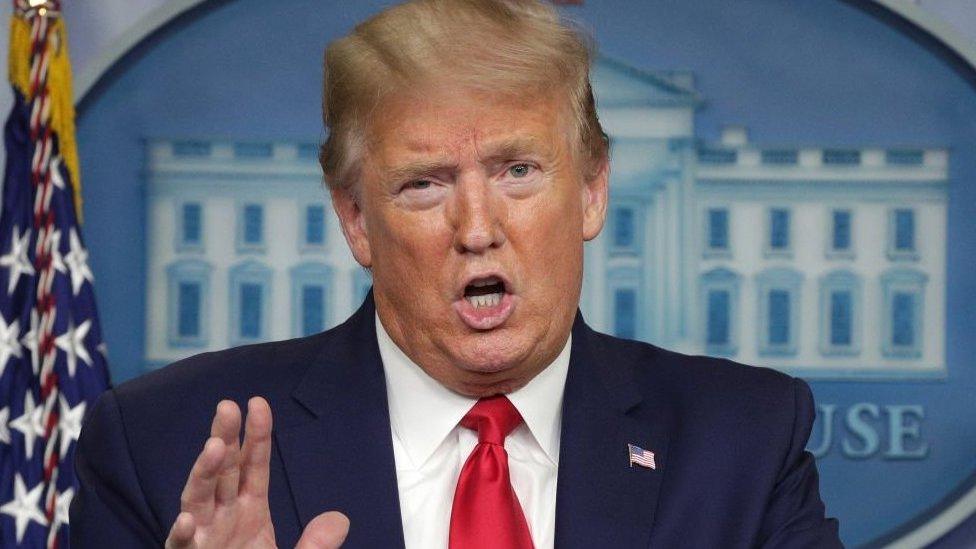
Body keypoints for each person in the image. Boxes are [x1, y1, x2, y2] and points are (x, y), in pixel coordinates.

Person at [70, 0, 843, 547]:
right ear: (355, 218)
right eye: (424, 183)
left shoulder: (741, 440)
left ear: (593, 190)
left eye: (518, 170)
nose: (477, 230)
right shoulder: (165, 448)